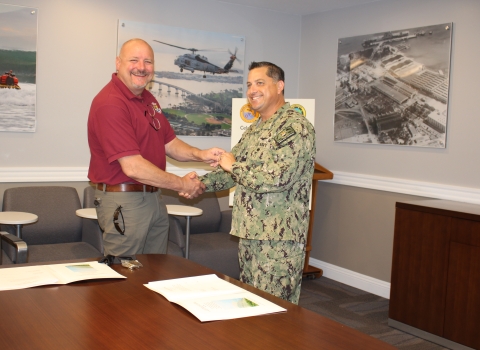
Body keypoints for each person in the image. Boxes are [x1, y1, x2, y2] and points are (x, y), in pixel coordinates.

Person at [88, 38, 224, 258]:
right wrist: (182, 184)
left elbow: (169, 143)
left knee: (154, 271)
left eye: (148, 62)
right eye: (134, 60)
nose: (141, 67)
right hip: (125, 201)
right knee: (126, 278)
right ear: (118, 63)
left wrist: (201, 154)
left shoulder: (148, 99)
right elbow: (133, 167)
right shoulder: (111, 103)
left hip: (152, 197)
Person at [199, 61, 316, 304]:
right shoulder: (255, 129)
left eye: (260, 83)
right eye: (249, 84)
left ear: (280, 86)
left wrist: (233, 165)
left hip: (277, 240)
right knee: (252, 304)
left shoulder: (294, 126)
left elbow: (277, 177)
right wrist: (197, 184)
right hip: (250, 234)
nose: (252, 90)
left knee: (274, 309)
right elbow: (233, 172)